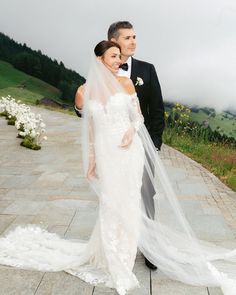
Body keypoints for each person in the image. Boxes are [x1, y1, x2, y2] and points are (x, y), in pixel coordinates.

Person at [0, 41, 236, 295]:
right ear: (99, 59)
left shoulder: (126, 84)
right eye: (113, 56)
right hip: (105, 152)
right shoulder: (83, 91)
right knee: (110, 202)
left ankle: (123, 258)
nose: (118, 60)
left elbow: (138, 117)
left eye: (119, 56)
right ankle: (109, 254)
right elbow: (90, 129)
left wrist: (130, 132)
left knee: (129, 201)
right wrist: (91, 161)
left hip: (128, 151)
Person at [75, 21, 165, 269]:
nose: (133, 41)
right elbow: (89, 114)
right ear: (113, 41)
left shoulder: (146, 70)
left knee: (145, 195)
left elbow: (156, 111)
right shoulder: (97, 75)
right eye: (127, 38)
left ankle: (150, 249)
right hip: (107, 149)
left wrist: (153, 144)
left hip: (138, 145)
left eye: (135, 36)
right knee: (114, 198)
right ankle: (114, 245)